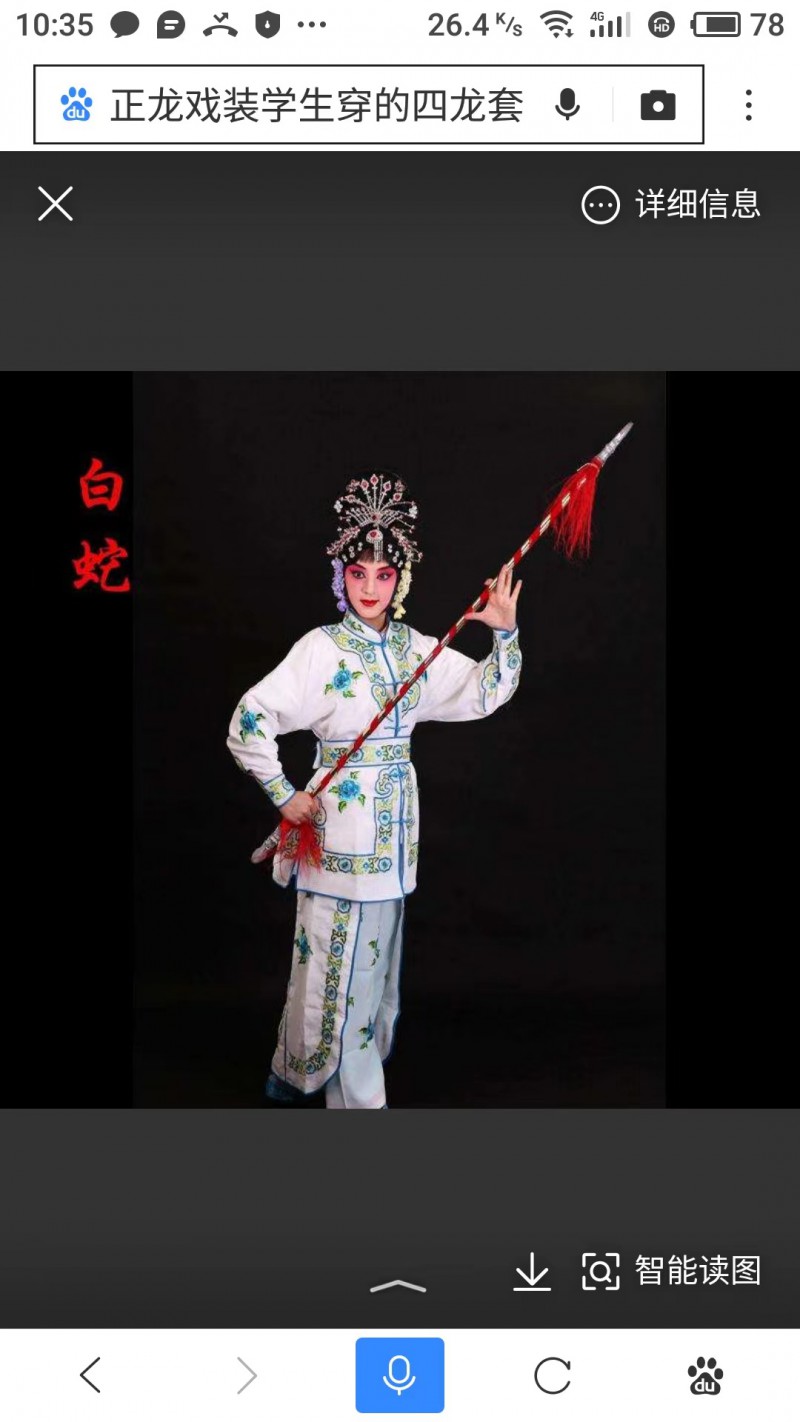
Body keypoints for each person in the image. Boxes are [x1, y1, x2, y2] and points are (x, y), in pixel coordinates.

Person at [227, 473, 522, 1108]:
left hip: (393, 846)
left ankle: (293, 1075)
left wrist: (503, 632)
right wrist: (283, 793)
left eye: (383, 575)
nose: (369, 588)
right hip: (335, 837)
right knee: (333, 971)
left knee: (367, 975)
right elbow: (250, 718)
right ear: (342, 576)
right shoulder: (320, 650)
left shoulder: (418, 652)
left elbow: (485, 693)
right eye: (358, 573)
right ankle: (356, 1102)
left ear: (400, 581)